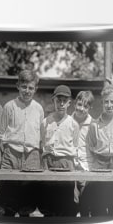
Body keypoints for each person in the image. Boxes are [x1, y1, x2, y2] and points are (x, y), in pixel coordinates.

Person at [0, 70, 44, 217]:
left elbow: (41, 134)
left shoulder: (38, 109)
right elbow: (1, 133)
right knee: (8, 196)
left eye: (31, 88)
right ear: (18, 86)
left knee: (28, 198)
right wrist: (5, 151)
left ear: (35, 89)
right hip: (11, 153)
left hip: (32, 155)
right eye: (24, 87)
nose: (27, 91)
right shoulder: (9, 106)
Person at [86, 85, 113, 216]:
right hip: (99, 166)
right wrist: (91, 168)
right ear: (102, 103)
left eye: (112, 102)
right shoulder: (94, 125)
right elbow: (89, 148)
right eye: (106, 101)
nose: (109, 105)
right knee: (98, 208)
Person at [39, 85, 80, 216]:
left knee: (66, 199)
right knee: (49, 199)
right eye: (58, 100)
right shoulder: (45, 122)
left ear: (69, 103)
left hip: (66, 163)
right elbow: (43, 143)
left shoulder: (73, 124)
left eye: (64, 101)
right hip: (48, 162)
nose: (61, 104)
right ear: (53, 101)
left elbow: (75, 145)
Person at [71, 91, 95, 216]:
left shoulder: (93, 125)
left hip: (87, 168)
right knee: (71, 204)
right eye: (79, 104)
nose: (81, 109)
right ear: (75, 103)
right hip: (71, 168)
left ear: (90, 108)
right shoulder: (67, 121)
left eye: (86, 107)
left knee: (86, 205)